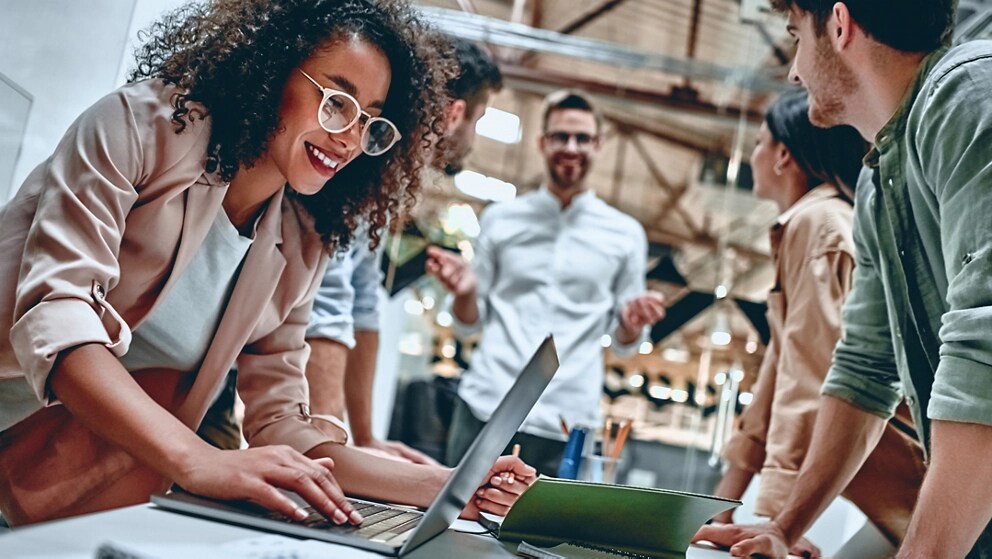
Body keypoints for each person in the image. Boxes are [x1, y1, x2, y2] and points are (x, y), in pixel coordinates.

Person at [0, 0, 534, 527]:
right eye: (337, 102)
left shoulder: (302, 241)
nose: (349, 137)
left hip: (50, 475)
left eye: (371, 121)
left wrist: (448, 484)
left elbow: (280, 422)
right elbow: (58, 318)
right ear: (272, 69)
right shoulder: (138, 128)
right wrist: (200, 459)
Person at [694, 1, 992, 557]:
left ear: (839, 23)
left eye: (795, 37)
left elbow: (988, 343)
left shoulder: (969, 94)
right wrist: (784, 525)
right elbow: (863, 368)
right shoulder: (879, 184)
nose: (793, 70)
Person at [705, 89, 924, 557]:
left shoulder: (818, 224)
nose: (753, 154)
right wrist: (720, 505)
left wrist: (779, 520)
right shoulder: (808, 225)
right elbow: (776, 378)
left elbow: (811, 375)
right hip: (887, 491)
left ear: (784, 154)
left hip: (910, 485)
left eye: (759, 141)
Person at [426, 89, 667, 476]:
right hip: (488, 405)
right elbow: (468, 321)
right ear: (542, 143)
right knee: (457, 523)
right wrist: (466, 292)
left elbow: (625, 345)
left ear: (599, 145)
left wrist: (631, 323)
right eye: (560, 136)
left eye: (583, 138)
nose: (571, 147)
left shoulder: (626, 234)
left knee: (548, 535)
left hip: (568, 419)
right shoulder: (501, 219)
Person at [303, 38, 503, 464]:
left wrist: (364, 438)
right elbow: (329, 301)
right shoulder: (365, 159)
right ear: (454, 114)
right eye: (479, 119)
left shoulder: (390, 179)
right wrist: (332, 449)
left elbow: (362, 302)